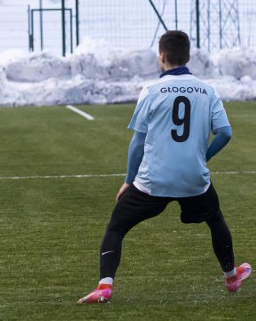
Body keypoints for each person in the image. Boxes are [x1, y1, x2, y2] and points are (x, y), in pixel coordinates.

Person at [79, 30, 250, 304]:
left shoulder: (151, 90)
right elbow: (226, 133)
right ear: (188, 56)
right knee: (215, 218)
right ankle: (231, 277)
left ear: (161, 57)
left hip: (152, 181)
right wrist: (201, 158)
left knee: (116, 227)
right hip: (194, 179)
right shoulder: (208, 90)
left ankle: (105, 286)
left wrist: (128, 181)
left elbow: (137, 143)